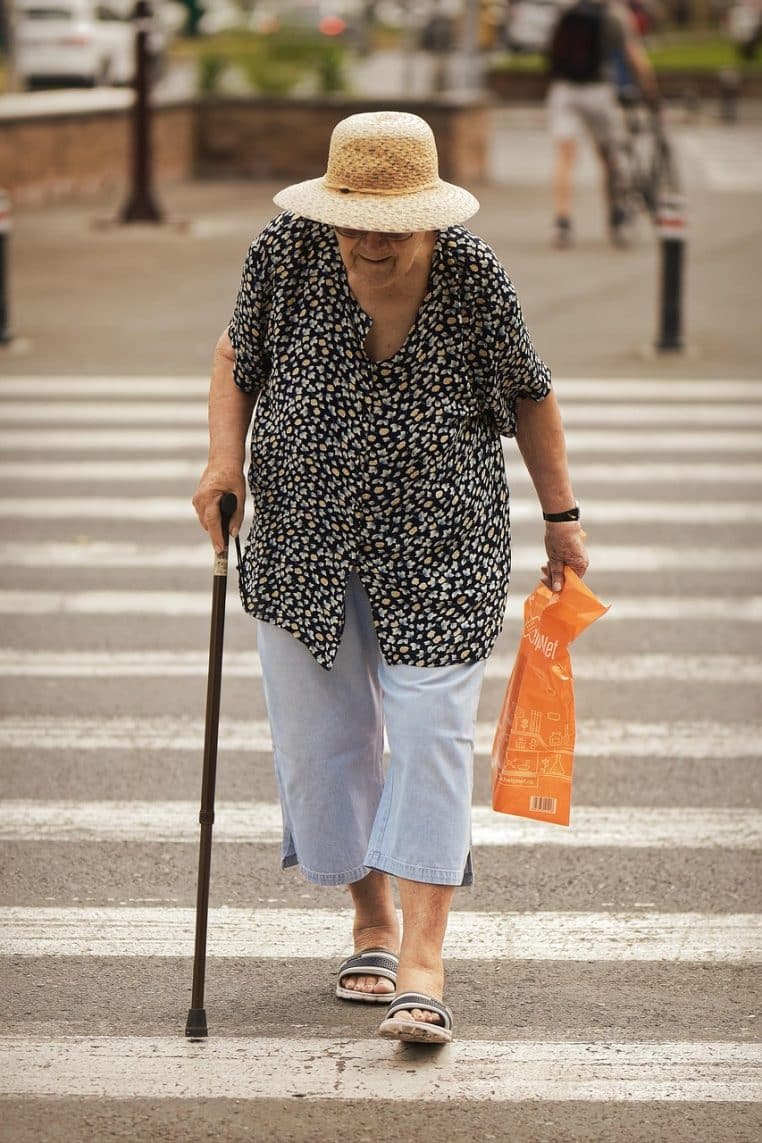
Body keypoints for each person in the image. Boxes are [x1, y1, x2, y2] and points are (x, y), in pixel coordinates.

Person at [192, 110, 588, 1045]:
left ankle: (423, 958)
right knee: (325, 747)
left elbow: (530, 392)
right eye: (354, 222)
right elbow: (234, 357)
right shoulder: (286, 254)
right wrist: (224, 463)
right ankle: (369, 919)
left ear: (429, 218)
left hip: (442, 542)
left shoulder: (474, 276)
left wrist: (562, 521)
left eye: (392, 224)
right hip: (302, 541)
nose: (369, 243)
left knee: (430, 735)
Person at [546, 0, 660, 248]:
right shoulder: (615, 14)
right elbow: (634, 55)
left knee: (565, 157)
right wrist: (651, 91)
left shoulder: (567, 10)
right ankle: (617, 216)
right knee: (609, 156)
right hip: (598, 91)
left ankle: (562, 221)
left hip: (564, 90)